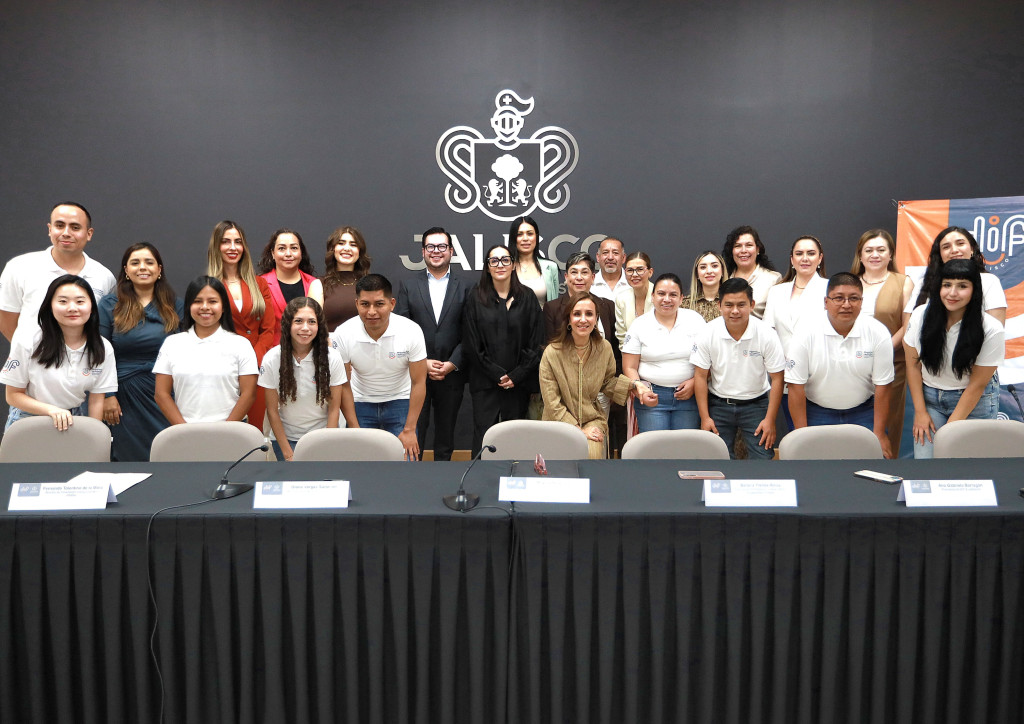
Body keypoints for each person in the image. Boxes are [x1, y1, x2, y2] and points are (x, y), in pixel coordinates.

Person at [785, 273, 895, 458]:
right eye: (838, 298)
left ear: (862, 302)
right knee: (813, 466)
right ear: (826, 302)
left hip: (863, 411)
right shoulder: (805, 332)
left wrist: (879, 433)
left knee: (875, 461)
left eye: (853, 298)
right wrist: (802, 434)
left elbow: (883, 386)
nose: (846, 304)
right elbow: (796, 387)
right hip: (816, 411)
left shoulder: (878, 332)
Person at [904, 260, 1004, 459]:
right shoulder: (920, 315)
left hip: (975, 402)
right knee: (926, 465)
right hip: (930, 399)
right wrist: (920, 412)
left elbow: (977, 385)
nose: (952, 293)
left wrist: (949, 432)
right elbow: (913, 365)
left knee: (966, 470)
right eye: (947, 284)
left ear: (974, 290)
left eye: (962, 286)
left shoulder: (991, 328)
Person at [98, 243, 184, 461]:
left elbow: (187, 352)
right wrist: (108, 395)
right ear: (126, 270)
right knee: (128, 458)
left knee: (169, 454)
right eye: (135, 263)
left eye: (149, 262)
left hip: (166, 393)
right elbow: (99, 352)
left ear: (159, 269)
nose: (142, 267)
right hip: (123, 396)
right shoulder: (109, 305)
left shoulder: (176, 306)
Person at [0, 275, 116, 431]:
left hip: (74, 419)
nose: (72, 308)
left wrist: (92, 433)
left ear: (92, 307)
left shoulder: (103, 347)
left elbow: (96, 400)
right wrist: (51, 410)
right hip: (28, 420)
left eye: (80, 301)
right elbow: (13, 395)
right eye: (63, 301)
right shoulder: (27, 340)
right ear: (50, 306)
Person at [331, 274, 427, 461]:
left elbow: (419, 381)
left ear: (392, 303)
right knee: (359, 466)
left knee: (408, 463)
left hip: (400, 401)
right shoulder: (343, 333)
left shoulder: (411, 330)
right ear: (357, 303)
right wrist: (355, 429)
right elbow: (343, 384)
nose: (372, 311)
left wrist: (409, 429)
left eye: (379, 304)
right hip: (360, 402)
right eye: (365, 304)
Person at [395, 226, 469, 461]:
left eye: (442, 246)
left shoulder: (467, 286)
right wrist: (422, 362)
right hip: (417, 374)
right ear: (423, 251)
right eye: (430, 247)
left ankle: (443, 485)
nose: (436, 251)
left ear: (451, 251)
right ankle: (414, 487)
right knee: (415, 434)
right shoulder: (408, 285)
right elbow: (401, 329)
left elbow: (471, 332)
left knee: (446, 438)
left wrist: (453, 363)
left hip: (452, 374)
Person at [463, 244, 544, 455]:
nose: (500, 265)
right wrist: (497, 374)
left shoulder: (527, 298)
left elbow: (535, 342)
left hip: (518, 383)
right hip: (485, 382)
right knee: (483, 437)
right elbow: (472, 344)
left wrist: (517, 374)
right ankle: (480, 482)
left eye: (505, 260)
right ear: (487, 267)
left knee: (514, 440)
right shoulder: (475, 298)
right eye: (494, 261)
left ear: (513, 265)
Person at [692, 278, 786, 459]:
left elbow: (777, 378)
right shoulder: (707, 332)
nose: (735, 311)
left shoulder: (766, 333)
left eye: (741, 305)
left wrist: (770, 419)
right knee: (717, 460)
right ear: (719, 305)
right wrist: (705, 418)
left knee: (762, 459)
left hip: (756, 405)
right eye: (729, 305)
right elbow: (700, 376)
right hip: (718, 405)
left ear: (752, 305)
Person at [0, 202, 116, 347]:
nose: (66, 233)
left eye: (75, 227)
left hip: (85, 365)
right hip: (32, 364)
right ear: (50, 229)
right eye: (59, 225)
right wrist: (31, 355)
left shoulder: (104, 276)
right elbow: (6, 320)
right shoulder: (19, 267)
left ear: (89, 233)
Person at [543, 251, 624, 454]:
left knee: (594, 454)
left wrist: (634, 388)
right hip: (559, 421)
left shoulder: (603, 347)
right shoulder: (552, 353)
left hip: (592, 419)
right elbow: (552, 403)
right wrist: (578, 430)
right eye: (577, 314)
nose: (583, 319)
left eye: (589, 314)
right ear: (568, 318)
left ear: (596, 317)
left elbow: (607, 382)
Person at [153, 276, 258, 424]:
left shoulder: (240, 344)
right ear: (189, 306)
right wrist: (184, 429)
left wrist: (226, 429)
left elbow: (249, 394)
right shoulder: (172, 343)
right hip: (186, 434)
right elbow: (161, 394)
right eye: (197, 301)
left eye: (212, 301)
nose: (205, 307)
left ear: (223, 307)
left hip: (231, 433)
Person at [206, 220, 275, 431]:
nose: (233, 247)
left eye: (238, 242)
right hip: (222, 369)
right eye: (226, 242)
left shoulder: (259, 283)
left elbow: (268, 329)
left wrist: (252, 361)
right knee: (226, 429)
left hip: (257, 368)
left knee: (255, 431)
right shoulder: (208, 285)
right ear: (216, 246)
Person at [259, 298, 347, 461]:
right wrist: (287, 453)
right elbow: (272, 410)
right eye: (298, 321)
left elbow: (334, 409)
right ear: (288, 324)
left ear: (319, 325)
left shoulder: (332, 358)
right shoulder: (272, 358)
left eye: (312, 322)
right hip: (285, 439)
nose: (305, 328)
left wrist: (327, 444)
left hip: (322, 437)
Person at [851, 229, 914, 454]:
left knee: (887, 429)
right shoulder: (850, 283)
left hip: (892, 367)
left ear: (891, 255)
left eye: (881, 250)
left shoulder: (903, 283)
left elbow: (908, 326)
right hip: (851, 367)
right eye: (869, 250)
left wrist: (883, 351)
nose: (874, 255)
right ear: (860, 254)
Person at [621, 274, 707, 432]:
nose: (667, 299)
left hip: (689, 397)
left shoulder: (695, 320)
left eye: (673, 294)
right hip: (652, 397)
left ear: (681, 299)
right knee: (656, 450)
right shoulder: (639, 325)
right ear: (652, 297)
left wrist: (695, 382)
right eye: (661, 294)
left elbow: (709, 360)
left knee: (684, 449)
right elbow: (629, 367)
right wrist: (640, 389)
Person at [762, 236, 829, 427]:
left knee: (823, 437)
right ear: (792, 260)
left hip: (820, 374)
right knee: (797, 437)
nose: (805, 258)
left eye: (811, 253)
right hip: (785, 375)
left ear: (820, 258)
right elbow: (768, 333)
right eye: (799, 254)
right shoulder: (777, 291)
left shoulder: (830, 288)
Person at [903, 226, 1006, 326]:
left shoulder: (989, 281)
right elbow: (908, 330)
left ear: (972, 249)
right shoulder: (924, 283)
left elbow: (996, 329)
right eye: (946, 247)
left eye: (960, 243)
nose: (954, 250)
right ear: (940, 254)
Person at [257, 228, 324, 345]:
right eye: (282, 248)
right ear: (273, 253)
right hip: (271, 355)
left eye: (294, 248)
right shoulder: (259, 283)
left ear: (301, 253)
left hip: (307, 354)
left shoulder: (313, 284)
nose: (288, 254)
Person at [722, 225, 781, 318]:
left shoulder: (773, 279)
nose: (743, 250)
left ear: (757, 249)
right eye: (738, 246)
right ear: (732, 251)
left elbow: (776, 319)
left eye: (749, 245)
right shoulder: (723, 279)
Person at [321, 225, 372, 331]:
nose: (347, 248)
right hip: (329, 346)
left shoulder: (371, 284)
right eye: (341, 243)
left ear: (359, 251)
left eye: (353, 245)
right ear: (333, 249)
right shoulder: (319, 284)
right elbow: (312, 323)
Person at [509, 216, 559, 306]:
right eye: (519, 234)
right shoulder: (506, 266)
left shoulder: (550, 267)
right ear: (513, 238)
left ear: (536, 237)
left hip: (543, 319)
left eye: (530, 234)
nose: (525, 238)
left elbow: (554, 307)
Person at [614, 252, 654, 345]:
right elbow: (622, 337)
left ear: (650, 272)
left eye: (640, 269)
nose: (635, 274)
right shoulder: (621, 298)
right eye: (630, 270)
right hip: (630, 354)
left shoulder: (661, 296)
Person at [685, 250, 728, 322]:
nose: (709, 271)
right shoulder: (685, 305)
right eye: (703, 267)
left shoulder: (733, 303)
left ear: (722, 271)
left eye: (714, 266)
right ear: (697, 274)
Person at [590, 236, 629, 301]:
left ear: (623, 258)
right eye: (605, 253)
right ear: (598, 257)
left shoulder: (633, 283)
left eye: (615, 253)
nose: (610, 257)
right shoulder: (589, 284)